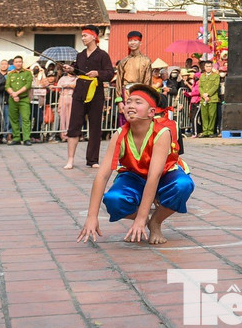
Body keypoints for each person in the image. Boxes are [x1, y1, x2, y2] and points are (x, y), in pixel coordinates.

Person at [77, 83, 194, 246]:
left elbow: (155, 176)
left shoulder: (162, 133)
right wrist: (91, 217)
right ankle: (144, 217)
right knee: (113, 199)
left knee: (183, 185)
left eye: (138, 102)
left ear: (151, 112)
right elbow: (102, 175)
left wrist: (140, 219)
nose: (131, 105)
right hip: (134, 176)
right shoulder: (119, 134)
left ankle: (155, 221)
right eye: (129, 101)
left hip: (164, 175)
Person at [65, 26, 115, 170]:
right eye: (82, 36)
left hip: (96, 93)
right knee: (74, 126)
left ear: (94, 37)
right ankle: (70, 159)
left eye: (85, 35)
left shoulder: (102, 55)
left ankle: (92, 160)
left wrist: (98, 73)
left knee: (95, 127)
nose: (83, 38)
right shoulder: (80, 55)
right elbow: (76, 69)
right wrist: (71, 69)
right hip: (80, 91)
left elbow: (109, 73)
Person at [5, 56, 33, 145]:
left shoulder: (27, 73)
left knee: (25, 119)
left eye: (20, 62)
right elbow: (7, 86)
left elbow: (28, 85)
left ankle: (26, 138)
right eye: (16, 62)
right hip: (12, 98)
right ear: (13, 63)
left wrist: (16, 93)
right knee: (14, 119)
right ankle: (16, 138)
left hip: (23, 98)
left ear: (22, 63)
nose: (18, 63)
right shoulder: (10, 74)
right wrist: (13, 94)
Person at [196, 59, 221, 138]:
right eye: (207, 66)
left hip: (212, 98)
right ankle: (205, 131)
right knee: (204, 115)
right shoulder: (202, 75)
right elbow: (200, 87)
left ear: (212, 67)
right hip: (203, 99)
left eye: (210, 66)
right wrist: (203, 95)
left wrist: (208, 94)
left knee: (212, 115)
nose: (208, 68)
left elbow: (216, 86)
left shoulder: (216, 75)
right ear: (204, 67)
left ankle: (210, 131)